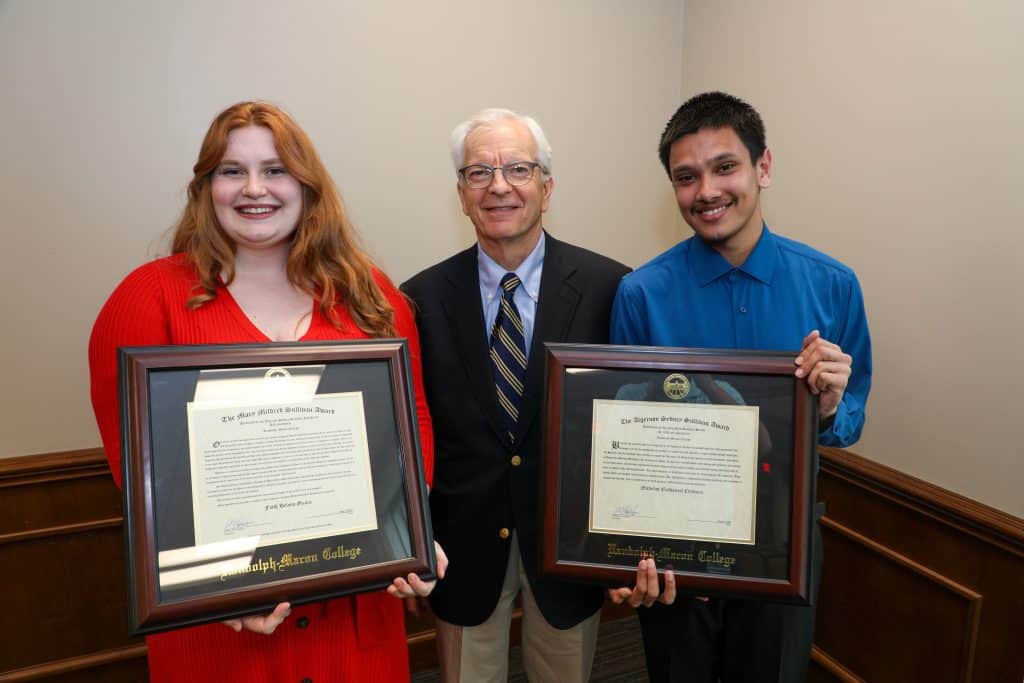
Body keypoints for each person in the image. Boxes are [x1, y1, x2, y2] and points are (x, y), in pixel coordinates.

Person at [89, 101, 446, 683]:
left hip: (354, 616)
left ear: (307, 184)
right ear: (207, 186)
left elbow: (415, 421)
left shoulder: (370, 295)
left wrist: (407, 531)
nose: (255, 189)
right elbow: (141, 472)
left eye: (275, 169)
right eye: (232, 171)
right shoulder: (148, 300)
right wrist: (221, 586)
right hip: (220, 633)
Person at [609, 91, 872, 681]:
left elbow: (851, 420)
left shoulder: (833, 286)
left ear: (764, 167)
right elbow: (621, 434)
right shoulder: (641, 294)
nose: (706, 191)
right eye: (686, 176)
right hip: (674, 546)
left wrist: (829, 407)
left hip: (785, 543)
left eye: (725, 167)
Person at [402, 108, 630, 682]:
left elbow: (630, 423)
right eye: (478, 172)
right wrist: (410, 540)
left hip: (570, 548)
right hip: (462, 547)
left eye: (518, 169)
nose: (498, 185)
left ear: (546, 188)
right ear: (461, 193)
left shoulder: (612, 288)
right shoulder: (418, 299)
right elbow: (411, 429)